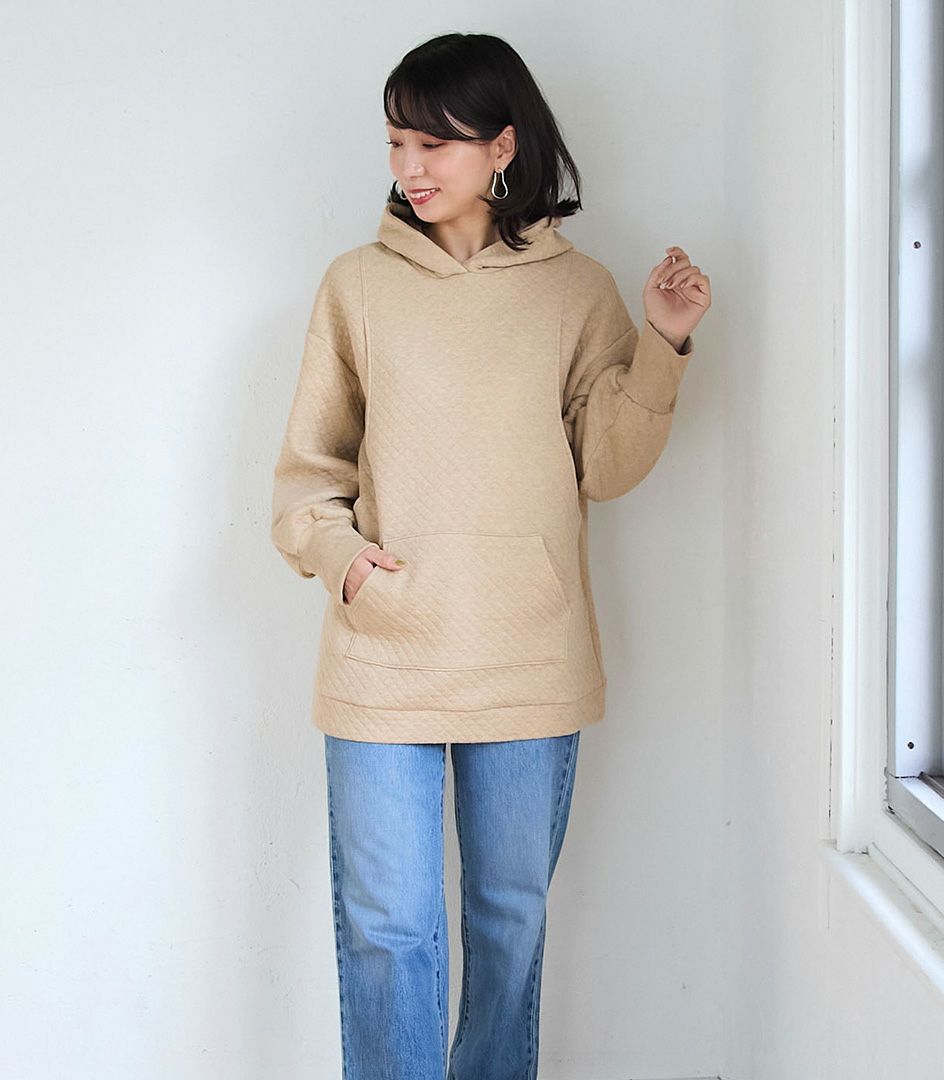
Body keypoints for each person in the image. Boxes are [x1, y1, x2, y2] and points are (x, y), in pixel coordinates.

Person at [270, 31, 710, 1080]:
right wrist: (342, 560)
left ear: (503, 146)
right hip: (383, 649)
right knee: (388, 928)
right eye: (396, 142)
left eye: (435, 143)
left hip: (525, 649)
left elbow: (605, 466)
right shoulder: (356, 287)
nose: (410, 167)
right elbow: (306, 476)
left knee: (508, 922)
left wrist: (661, 344)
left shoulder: (575, 291)